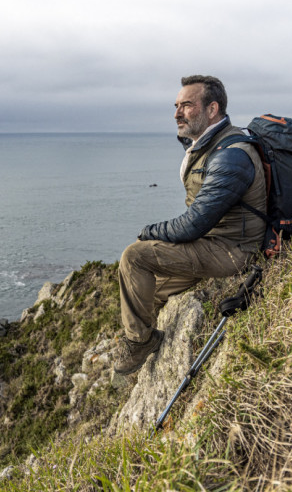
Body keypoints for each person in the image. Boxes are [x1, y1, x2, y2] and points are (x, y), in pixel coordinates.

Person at [113, 75, 267, 375]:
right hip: (215, 241)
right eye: (176, 105)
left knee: (134, 257)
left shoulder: (231, 156)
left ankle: (139, 343)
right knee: (149, 292)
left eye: (186, 105)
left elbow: (193, 225)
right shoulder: (209, 144)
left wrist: (149, 232)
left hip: (232, 250)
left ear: (212, 109)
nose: (176, 113)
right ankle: (144, 341)